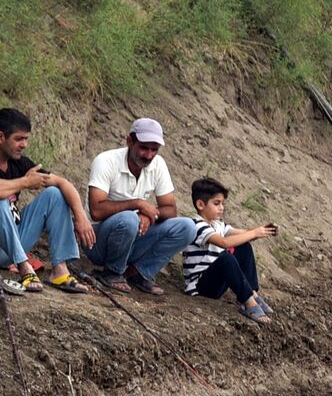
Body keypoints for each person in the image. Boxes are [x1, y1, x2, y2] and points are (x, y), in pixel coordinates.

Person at [0, 107, 95, 293]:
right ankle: (24, 267)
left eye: (26, 139)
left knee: (54, 194)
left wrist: (80, 216)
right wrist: (25, 182)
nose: (24, 144)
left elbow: (63, 182)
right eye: (19, 139)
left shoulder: (18, 161)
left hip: (10, 246)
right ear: (0, 138)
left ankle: (60, 270)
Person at [84, 118, 197, 294]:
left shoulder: (158, 164)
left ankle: (138, 273)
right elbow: (96, 211)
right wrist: (138, 204)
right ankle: (112, 272)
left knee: (188, 227)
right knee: (129, 218)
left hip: (133, 237)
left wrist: (149, 214)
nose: (149, 155)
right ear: (129, 141)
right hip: (96, 241)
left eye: (154, 150)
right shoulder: (106, 160)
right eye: (144, 148)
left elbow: (170, 209)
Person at [182, 177, 277, 325]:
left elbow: (242, 234)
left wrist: (263, 230)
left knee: (244, 246)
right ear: (200, 204)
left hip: (217, 283)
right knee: (226, 257)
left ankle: (252, 293)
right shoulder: (196, 225)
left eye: (222, 204)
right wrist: (253, 233)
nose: (221, 208)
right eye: (216, 203)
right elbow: (224, 242)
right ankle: (249, 303)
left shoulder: (217, 224)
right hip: (201, 287)